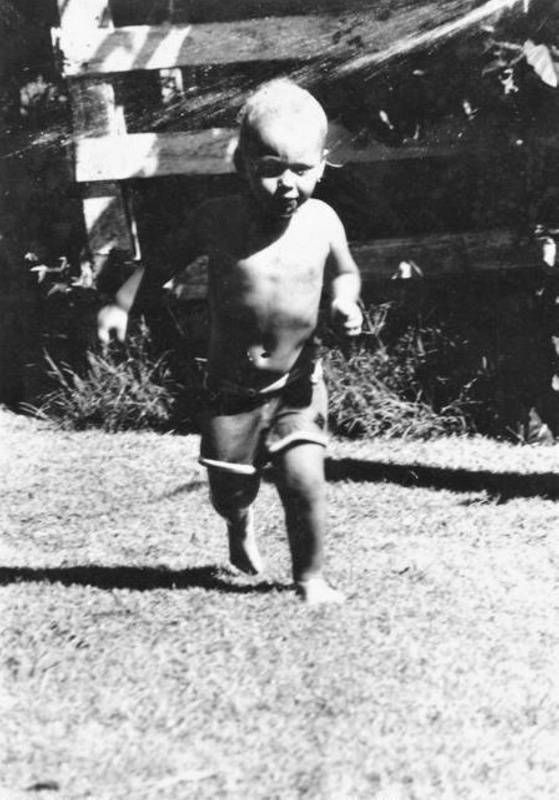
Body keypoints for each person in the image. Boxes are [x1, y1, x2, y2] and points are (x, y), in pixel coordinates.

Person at [98, 78, 363, 604]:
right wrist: (121, 302)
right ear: (241, 164)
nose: (288, 184)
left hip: (298, 382)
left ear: (322, 163)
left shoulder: (321, 221)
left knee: (304, 478)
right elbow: (159, 265)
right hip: (229, 385)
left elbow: (346, 272)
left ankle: (310, 579)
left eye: (302, 169)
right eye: (270, 170)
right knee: (230, 488)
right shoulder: (216, 219)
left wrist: (344, 301)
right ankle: (238, 523)